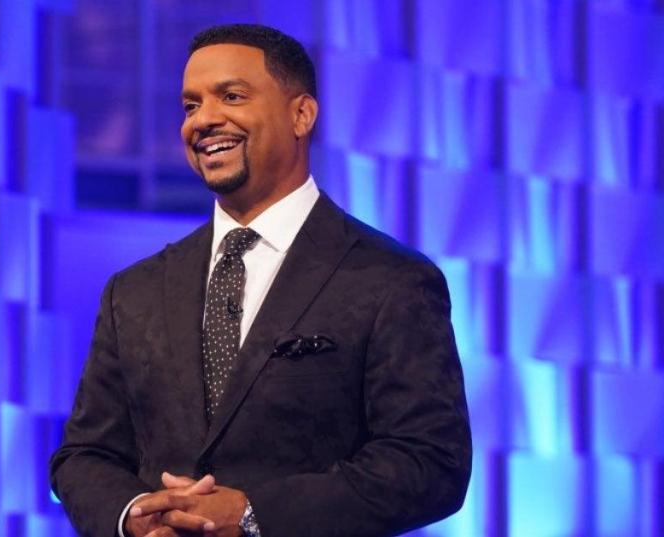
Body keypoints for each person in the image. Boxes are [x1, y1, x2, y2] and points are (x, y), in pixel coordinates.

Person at [50, 23, 471, 537]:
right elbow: (84, 455)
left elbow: (429, 463)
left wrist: (253, 515)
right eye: (190, 105)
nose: (204, 119)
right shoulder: (134, 291)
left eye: (231, 96)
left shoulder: (390, 279)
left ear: (301, 115)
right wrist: (138, 517)